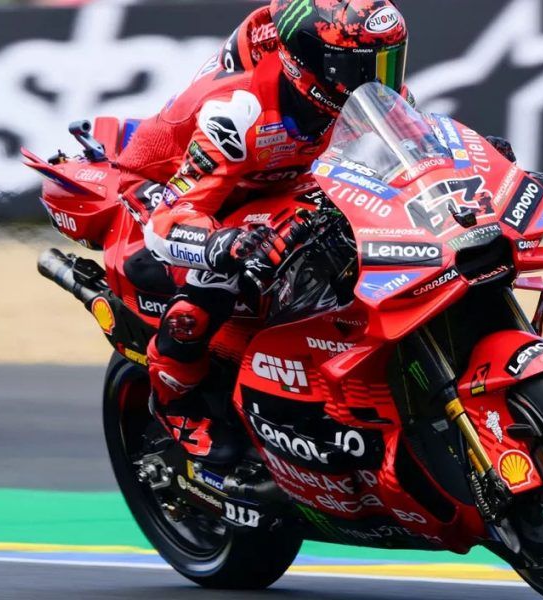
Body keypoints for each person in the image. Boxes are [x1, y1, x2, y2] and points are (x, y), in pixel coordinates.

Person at [115, 0, 412, 462]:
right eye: (361, 67)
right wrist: (221, 244)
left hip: (278, 182)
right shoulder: (238, 112)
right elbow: (168, 222)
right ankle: (175, 402)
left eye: (388, 63)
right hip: (169, 189)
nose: (379, 80)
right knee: (212, 283)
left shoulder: (364, 94)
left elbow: (407, 158)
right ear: (310, 64)